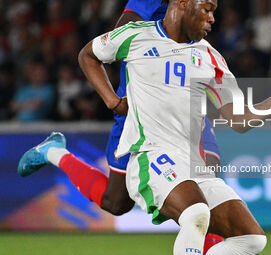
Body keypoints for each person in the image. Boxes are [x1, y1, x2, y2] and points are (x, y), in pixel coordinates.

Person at [19, 0, 271, 254]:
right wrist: (114, 101)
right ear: (182, 2)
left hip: (192, 163)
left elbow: (237, 119)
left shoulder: (213, 58)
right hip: (150, 154)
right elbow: (88, 55)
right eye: (207, 9)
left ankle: (54, 153)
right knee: (195, 214)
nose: (212, 18)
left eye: (214, 11)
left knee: (252, 239)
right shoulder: (135, 36)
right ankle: (55, 153)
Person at [19, 0, 223, 254]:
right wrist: (115, 102)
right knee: (115, 202)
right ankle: (53, 152)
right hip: (143, 101)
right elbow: (122, 29)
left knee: (208, 184)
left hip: (187, 100)